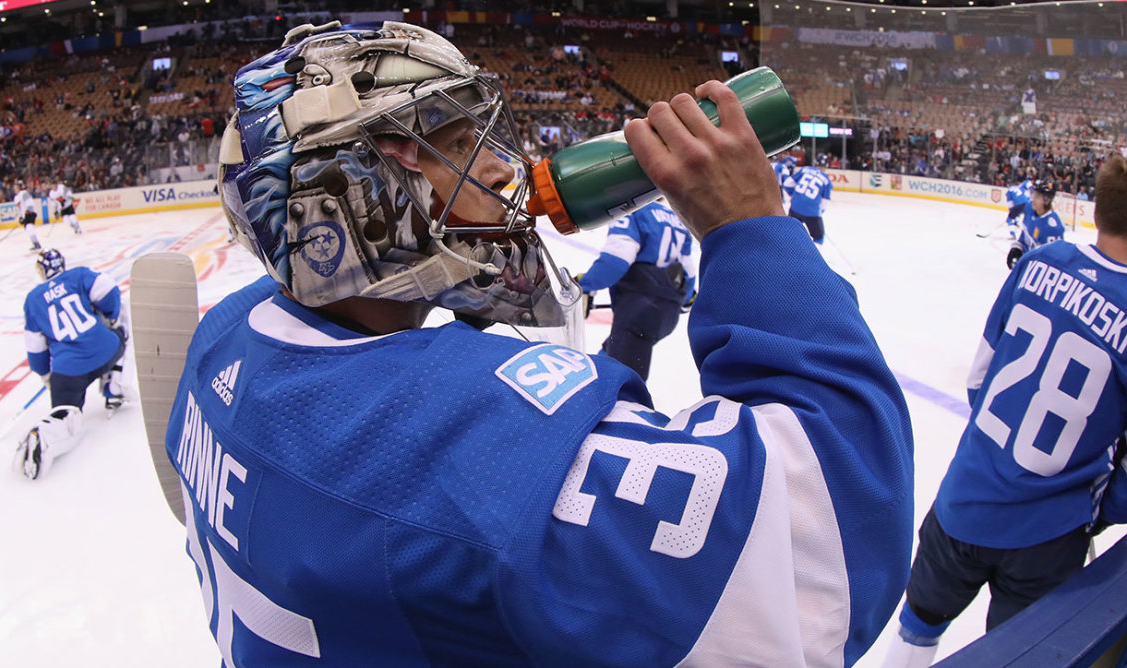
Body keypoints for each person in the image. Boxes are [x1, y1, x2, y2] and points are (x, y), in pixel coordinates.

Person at [166, 21, 912, 666]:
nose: (501, 168)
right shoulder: (471, 442)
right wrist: (748, 231)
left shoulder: (224, 336)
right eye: (458, 143)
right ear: (350, 193)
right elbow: (826, 558)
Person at [882, 156, 1127, 668]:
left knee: (918, 623)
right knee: (1018, 656)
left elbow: (979, 379)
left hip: (966, 496)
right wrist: (1103, 508)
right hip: (1050, 531)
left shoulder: (1042, 263)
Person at [15, 248, 127, 480]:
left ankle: (45, 435)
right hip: (105, 351)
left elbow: (36, 350)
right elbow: (108, 290)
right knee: (122, 331)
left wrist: (46, 376)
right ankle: (114, 384)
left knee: (66, 415)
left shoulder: (33, 299)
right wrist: (112, 316)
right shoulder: (77, 276)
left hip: (68, 374)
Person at [576, 198, 696, 380]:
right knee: (614, 353)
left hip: (638, 309)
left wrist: (586, 285)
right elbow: (688, 270)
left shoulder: (631, 211)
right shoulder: (677, 220)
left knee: (623, 380)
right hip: (667, 312)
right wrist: (686, 299)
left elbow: (617, 259)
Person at [1006, 179, 1065, 269]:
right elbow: (1025, 235)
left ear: (1047, 200)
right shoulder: (1029, 208)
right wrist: (1017, 248)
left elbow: (1053, 262)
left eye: (1037, 197)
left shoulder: (1052, 229)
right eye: (1034, 194)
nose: (1033, 199)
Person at [783, 161, 833, 244]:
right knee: (818, 238)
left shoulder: (805, 170)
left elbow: (787, 184)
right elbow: (825, 203)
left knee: (790, 233)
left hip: (795, 207)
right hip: (812, 212)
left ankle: (786, 252)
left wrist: (795, 196)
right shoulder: (827, 181)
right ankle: (813, 256)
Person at [13, 181, 43, 250]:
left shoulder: (24, 193)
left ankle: (36, 244)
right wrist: (22, 216)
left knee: (29, 228)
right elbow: (21, 208)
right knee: (28, 229)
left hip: (30, 213)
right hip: (26, 214)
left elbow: (29, 203)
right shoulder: (16, 198)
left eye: (16, 188)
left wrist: (28, 211)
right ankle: (35, 243)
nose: (15, 189)